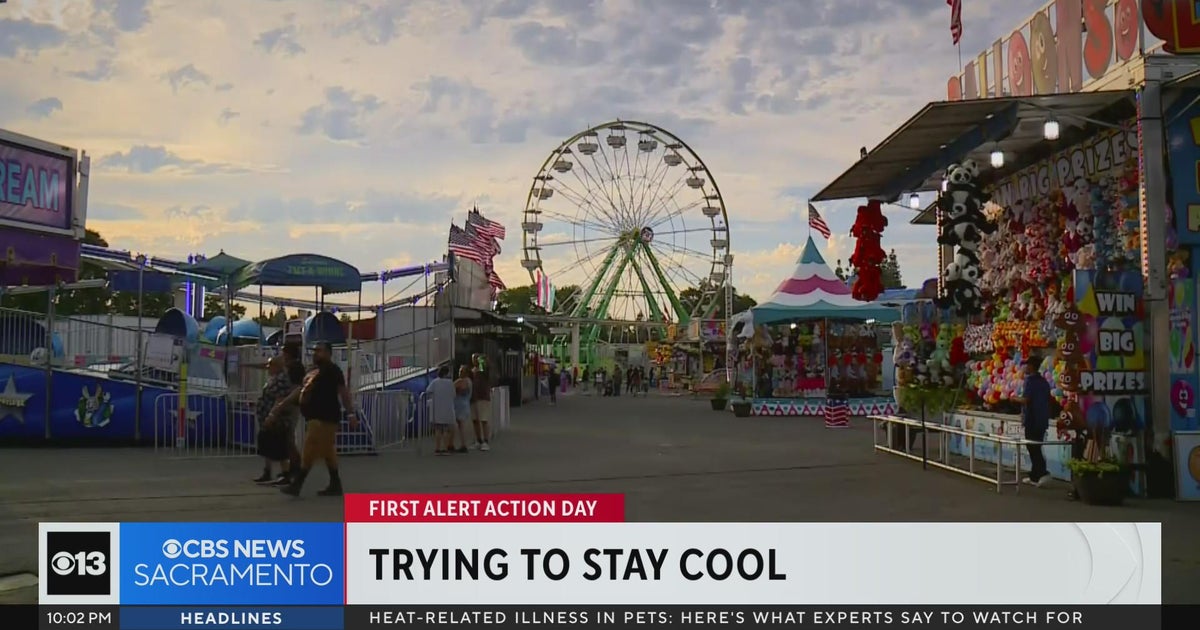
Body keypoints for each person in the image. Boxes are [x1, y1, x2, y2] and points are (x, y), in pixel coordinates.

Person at [280, 342, 357, 497]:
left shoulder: (333, 370)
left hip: (326, 418)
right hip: (313, 417)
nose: (316, 354)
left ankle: (297, 484)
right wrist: (283, 404)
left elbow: (343, 392)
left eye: (319, 351)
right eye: (314, 351)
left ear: (328, 353)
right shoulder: (312, 371)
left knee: (310, 448)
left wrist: (351, 413)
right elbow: (301, 390)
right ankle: (335, 484)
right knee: (328, 452)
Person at [253, 357, 295, 484]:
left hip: (277, 419)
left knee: (279, 447)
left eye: (270, 365)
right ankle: (267, 471)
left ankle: (286, 474)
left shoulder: (281, 379)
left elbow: (280, 399)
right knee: (267, 446)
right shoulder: (274, 378)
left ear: (277, 366)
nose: (268, 368)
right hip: (267, 416)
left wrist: (272, 415)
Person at [1018, 358, 1052, 488]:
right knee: (1035, 446)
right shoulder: (1044, 382)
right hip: (1042, 419)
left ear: (1031, 366)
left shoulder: (1030, 381)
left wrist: (1014, 398)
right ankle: (1035, 474)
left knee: (1033, 447)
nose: (1025, 367)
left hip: (1032, 419)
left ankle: (1042, 473)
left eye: (1026, 365)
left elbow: (1026, 399)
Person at [426, 366, 457, 456]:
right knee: (447, 429)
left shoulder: (435, 382)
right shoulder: (450, 383)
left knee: (438, 429)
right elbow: (454, 394)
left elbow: (428, 391)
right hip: (448, 408)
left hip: (437, 408)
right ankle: (445, 447)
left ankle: (438, 448)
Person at [471, 358, 493, 451]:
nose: (474, 360)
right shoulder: (472, 371)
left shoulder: (483, 370)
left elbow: (486, 370)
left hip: (483, 397)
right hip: (474, 398)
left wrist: (483, 362)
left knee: (483, 420)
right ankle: (478, 440)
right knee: (475, 420)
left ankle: (486, 441)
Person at [453, 366, 473, 454]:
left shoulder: (465, 381)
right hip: (461, 405)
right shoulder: (465, 381)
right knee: (459, 425)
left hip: (461, 405)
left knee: (461, 425)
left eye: (461, 371)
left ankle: (463, 444)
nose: (459, 373)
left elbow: (457, 388)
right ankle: (461, 443)